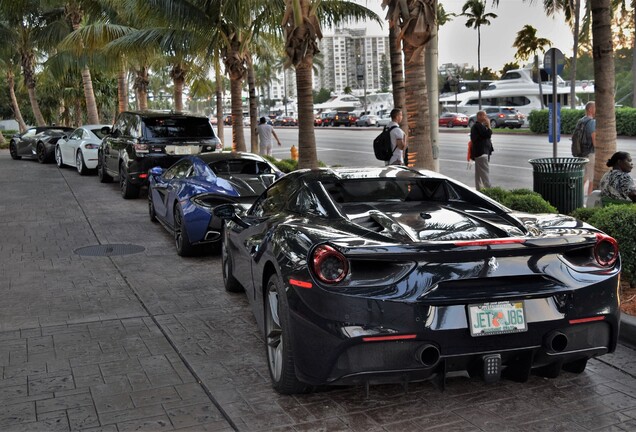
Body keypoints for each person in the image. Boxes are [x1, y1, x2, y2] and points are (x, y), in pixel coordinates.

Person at [575, 101, 596, 195]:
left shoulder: (581, 121)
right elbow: (594, 139)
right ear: (590, 109)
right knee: (592, 179)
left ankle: (577, 197)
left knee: (584, 177)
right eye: (596, 108)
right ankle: (589, 201)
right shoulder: (592, 122)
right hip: (590, 153)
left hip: (581, 153)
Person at [469, 110, 494, 190]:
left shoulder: (479, 126)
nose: (486, 118)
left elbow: (484, 136)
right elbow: (488, 134)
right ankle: (489, 191)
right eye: (484, 116)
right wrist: (489, 125)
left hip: (480, 153)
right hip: (482, 153)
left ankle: (478, 189)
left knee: (479, 174)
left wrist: (486, 126)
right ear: (479, 116)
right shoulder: (477, 126)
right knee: (484, 173)